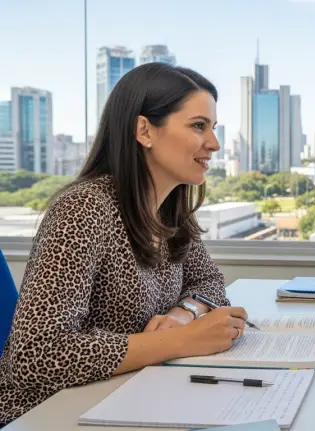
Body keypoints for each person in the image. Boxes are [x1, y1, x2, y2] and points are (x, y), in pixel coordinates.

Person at [0, 63, 250, 425]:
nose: (214, 143)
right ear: (144, 130)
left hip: (127, 395)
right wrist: (181, 342)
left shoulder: (169, 209)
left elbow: (208, 282)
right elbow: (37, 354)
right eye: (199, 126)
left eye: (213, 127)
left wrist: (184, 316)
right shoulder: (84, 209)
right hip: (44, 412)